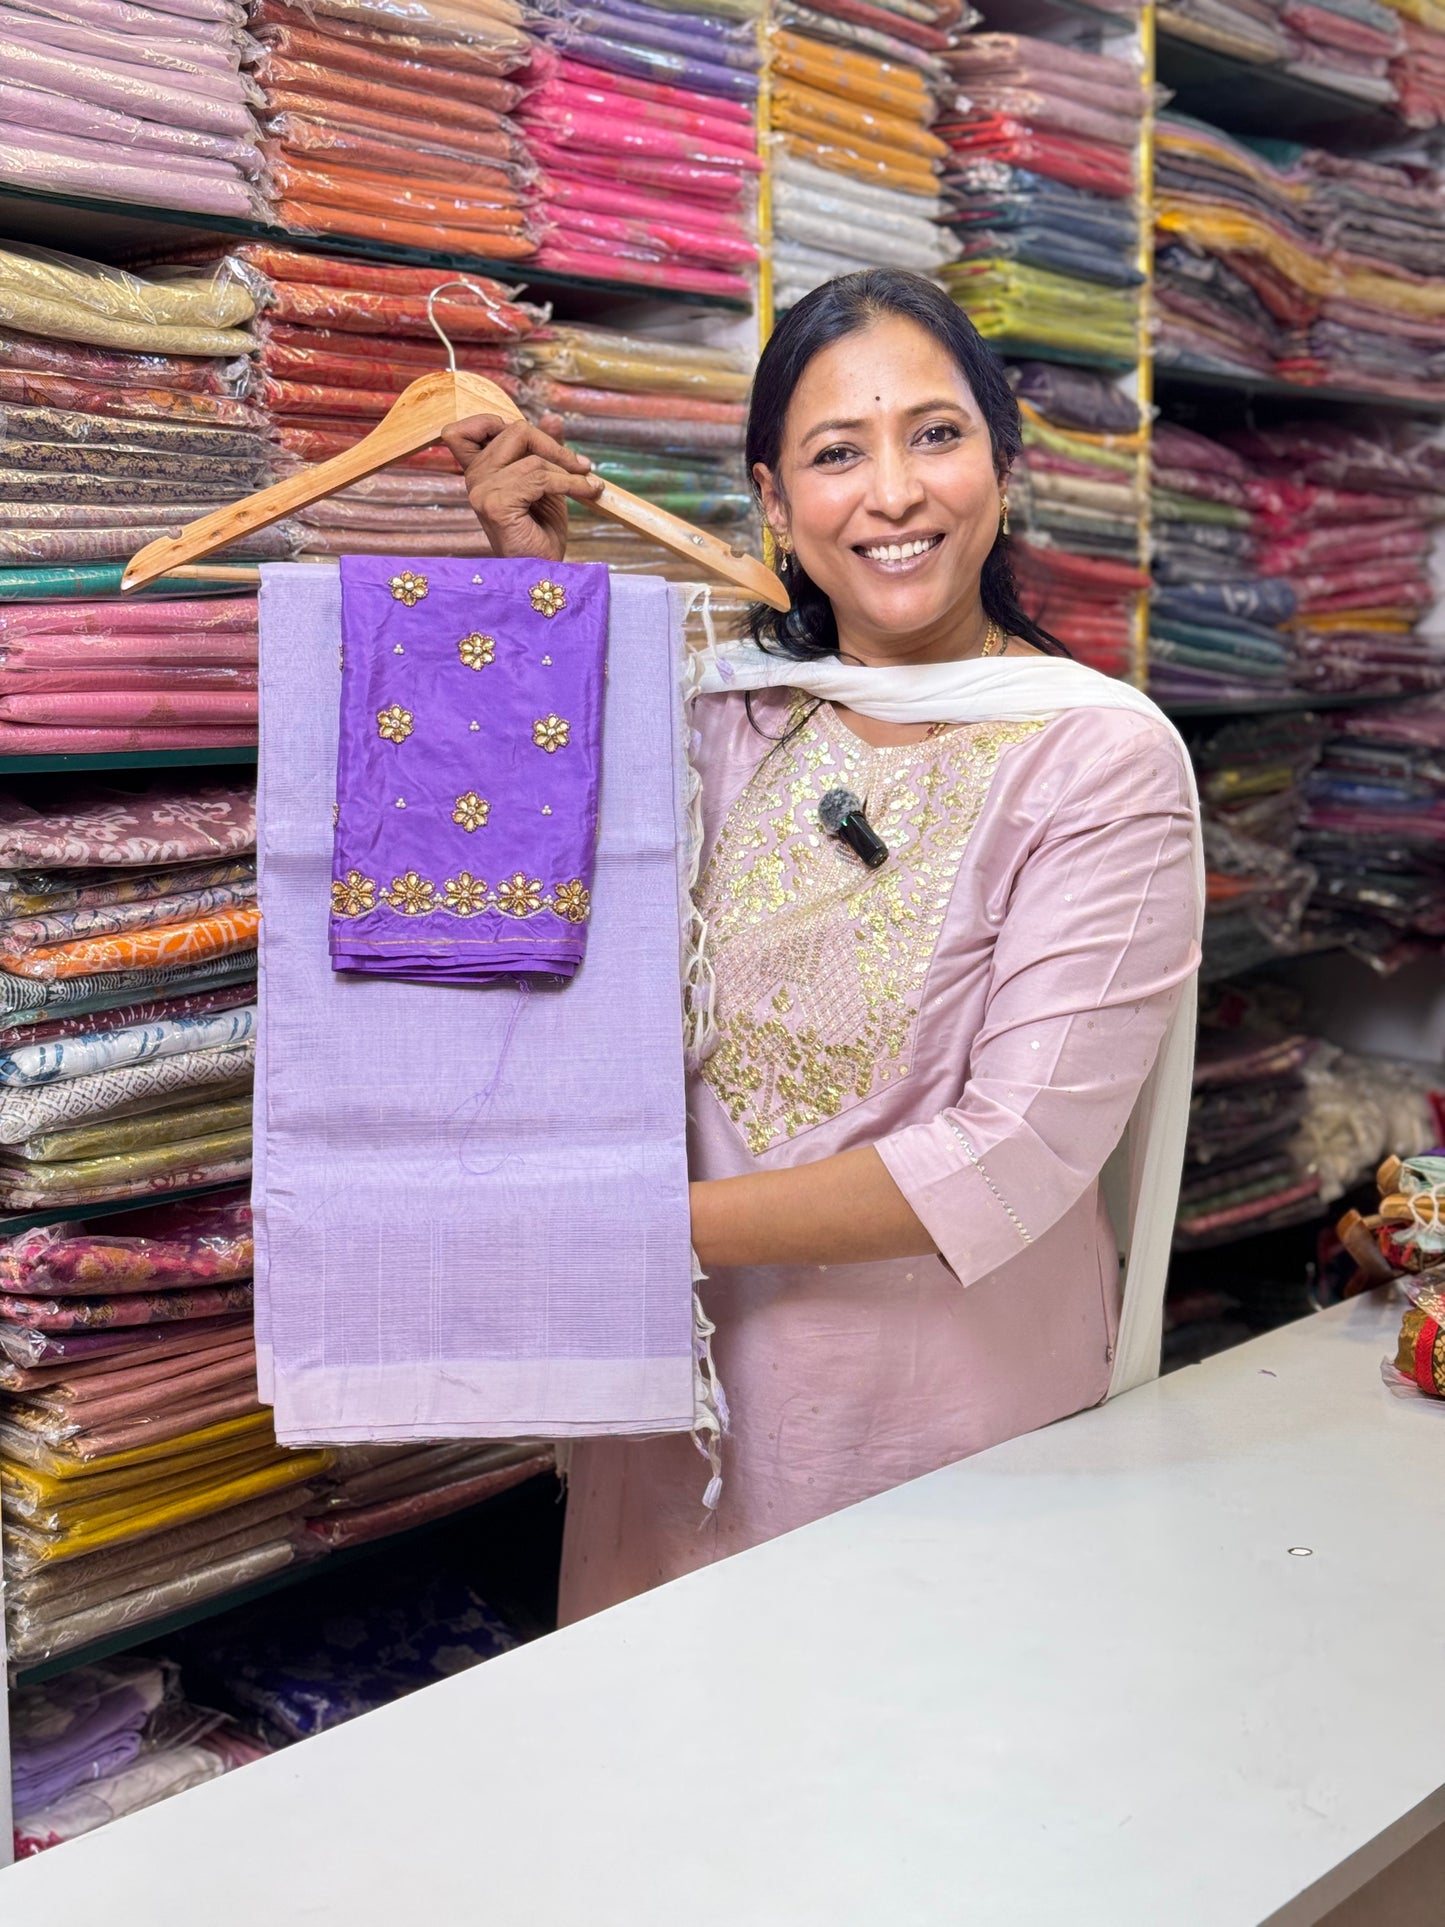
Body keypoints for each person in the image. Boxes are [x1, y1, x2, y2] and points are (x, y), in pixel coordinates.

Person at [442, 269, 1202, 1621]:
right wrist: (538, 589)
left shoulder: (1094, 759)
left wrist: (626, 1230)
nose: (893, 492)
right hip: (679, 1431)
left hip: (946, 1447)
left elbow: (1009, 1156)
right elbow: (558, 913)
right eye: (836, 454)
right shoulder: (724, 721)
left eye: (935, 434)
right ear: (775, 505)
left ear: (1001, 466)